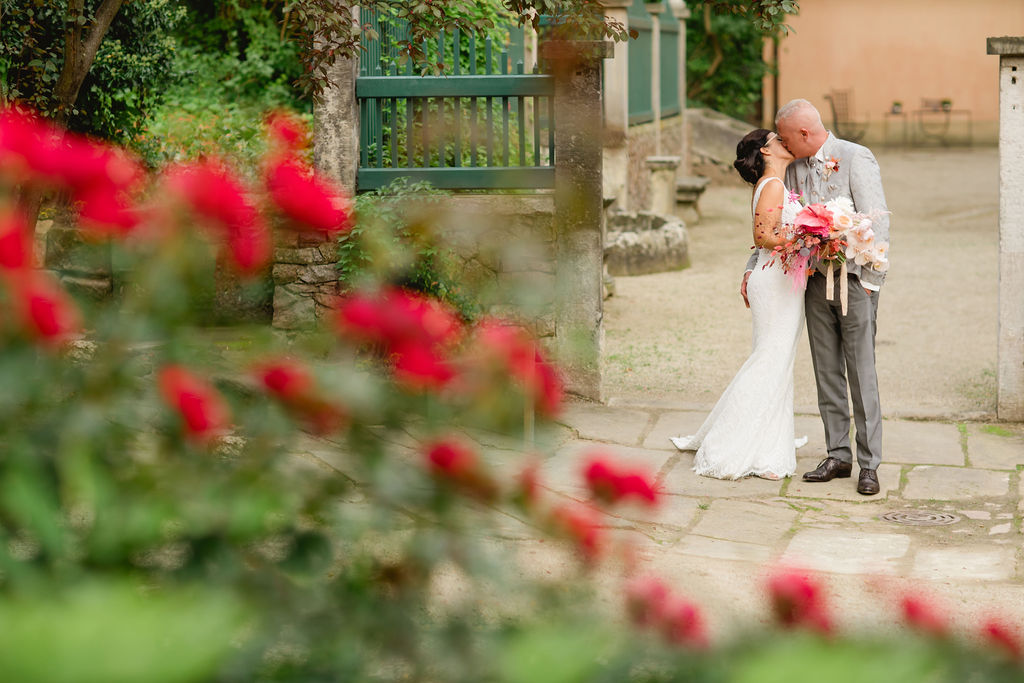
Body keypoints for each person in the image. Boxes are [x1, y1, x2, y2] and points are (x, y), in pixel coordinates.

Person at [740, 99, 889, 495]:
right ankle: (838, 453)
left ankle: (869, 463)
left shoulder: (855, 157)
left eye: (786, 137)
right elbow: (776, 224)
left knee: (861, 372)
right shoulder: (793, 168)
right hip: (811, 280)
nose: (783, 145)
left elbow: (878, 219)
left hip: (855, 282)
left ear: (804, 133)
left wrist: (872, 283)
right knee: (826, 370)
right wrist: (751, 267)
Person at [670, 129, 806, 480]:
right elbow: (763, 236)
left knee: (777, 359)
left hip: (780, 279)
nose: (785, 141)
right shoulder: (772, 185)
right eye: (778, 138)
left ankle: (768, 442)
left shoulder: (774, 183)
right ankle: (730, 444)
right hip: (775, 282)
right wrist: (809, 237)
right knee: (769, 359)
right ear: (766, 149)